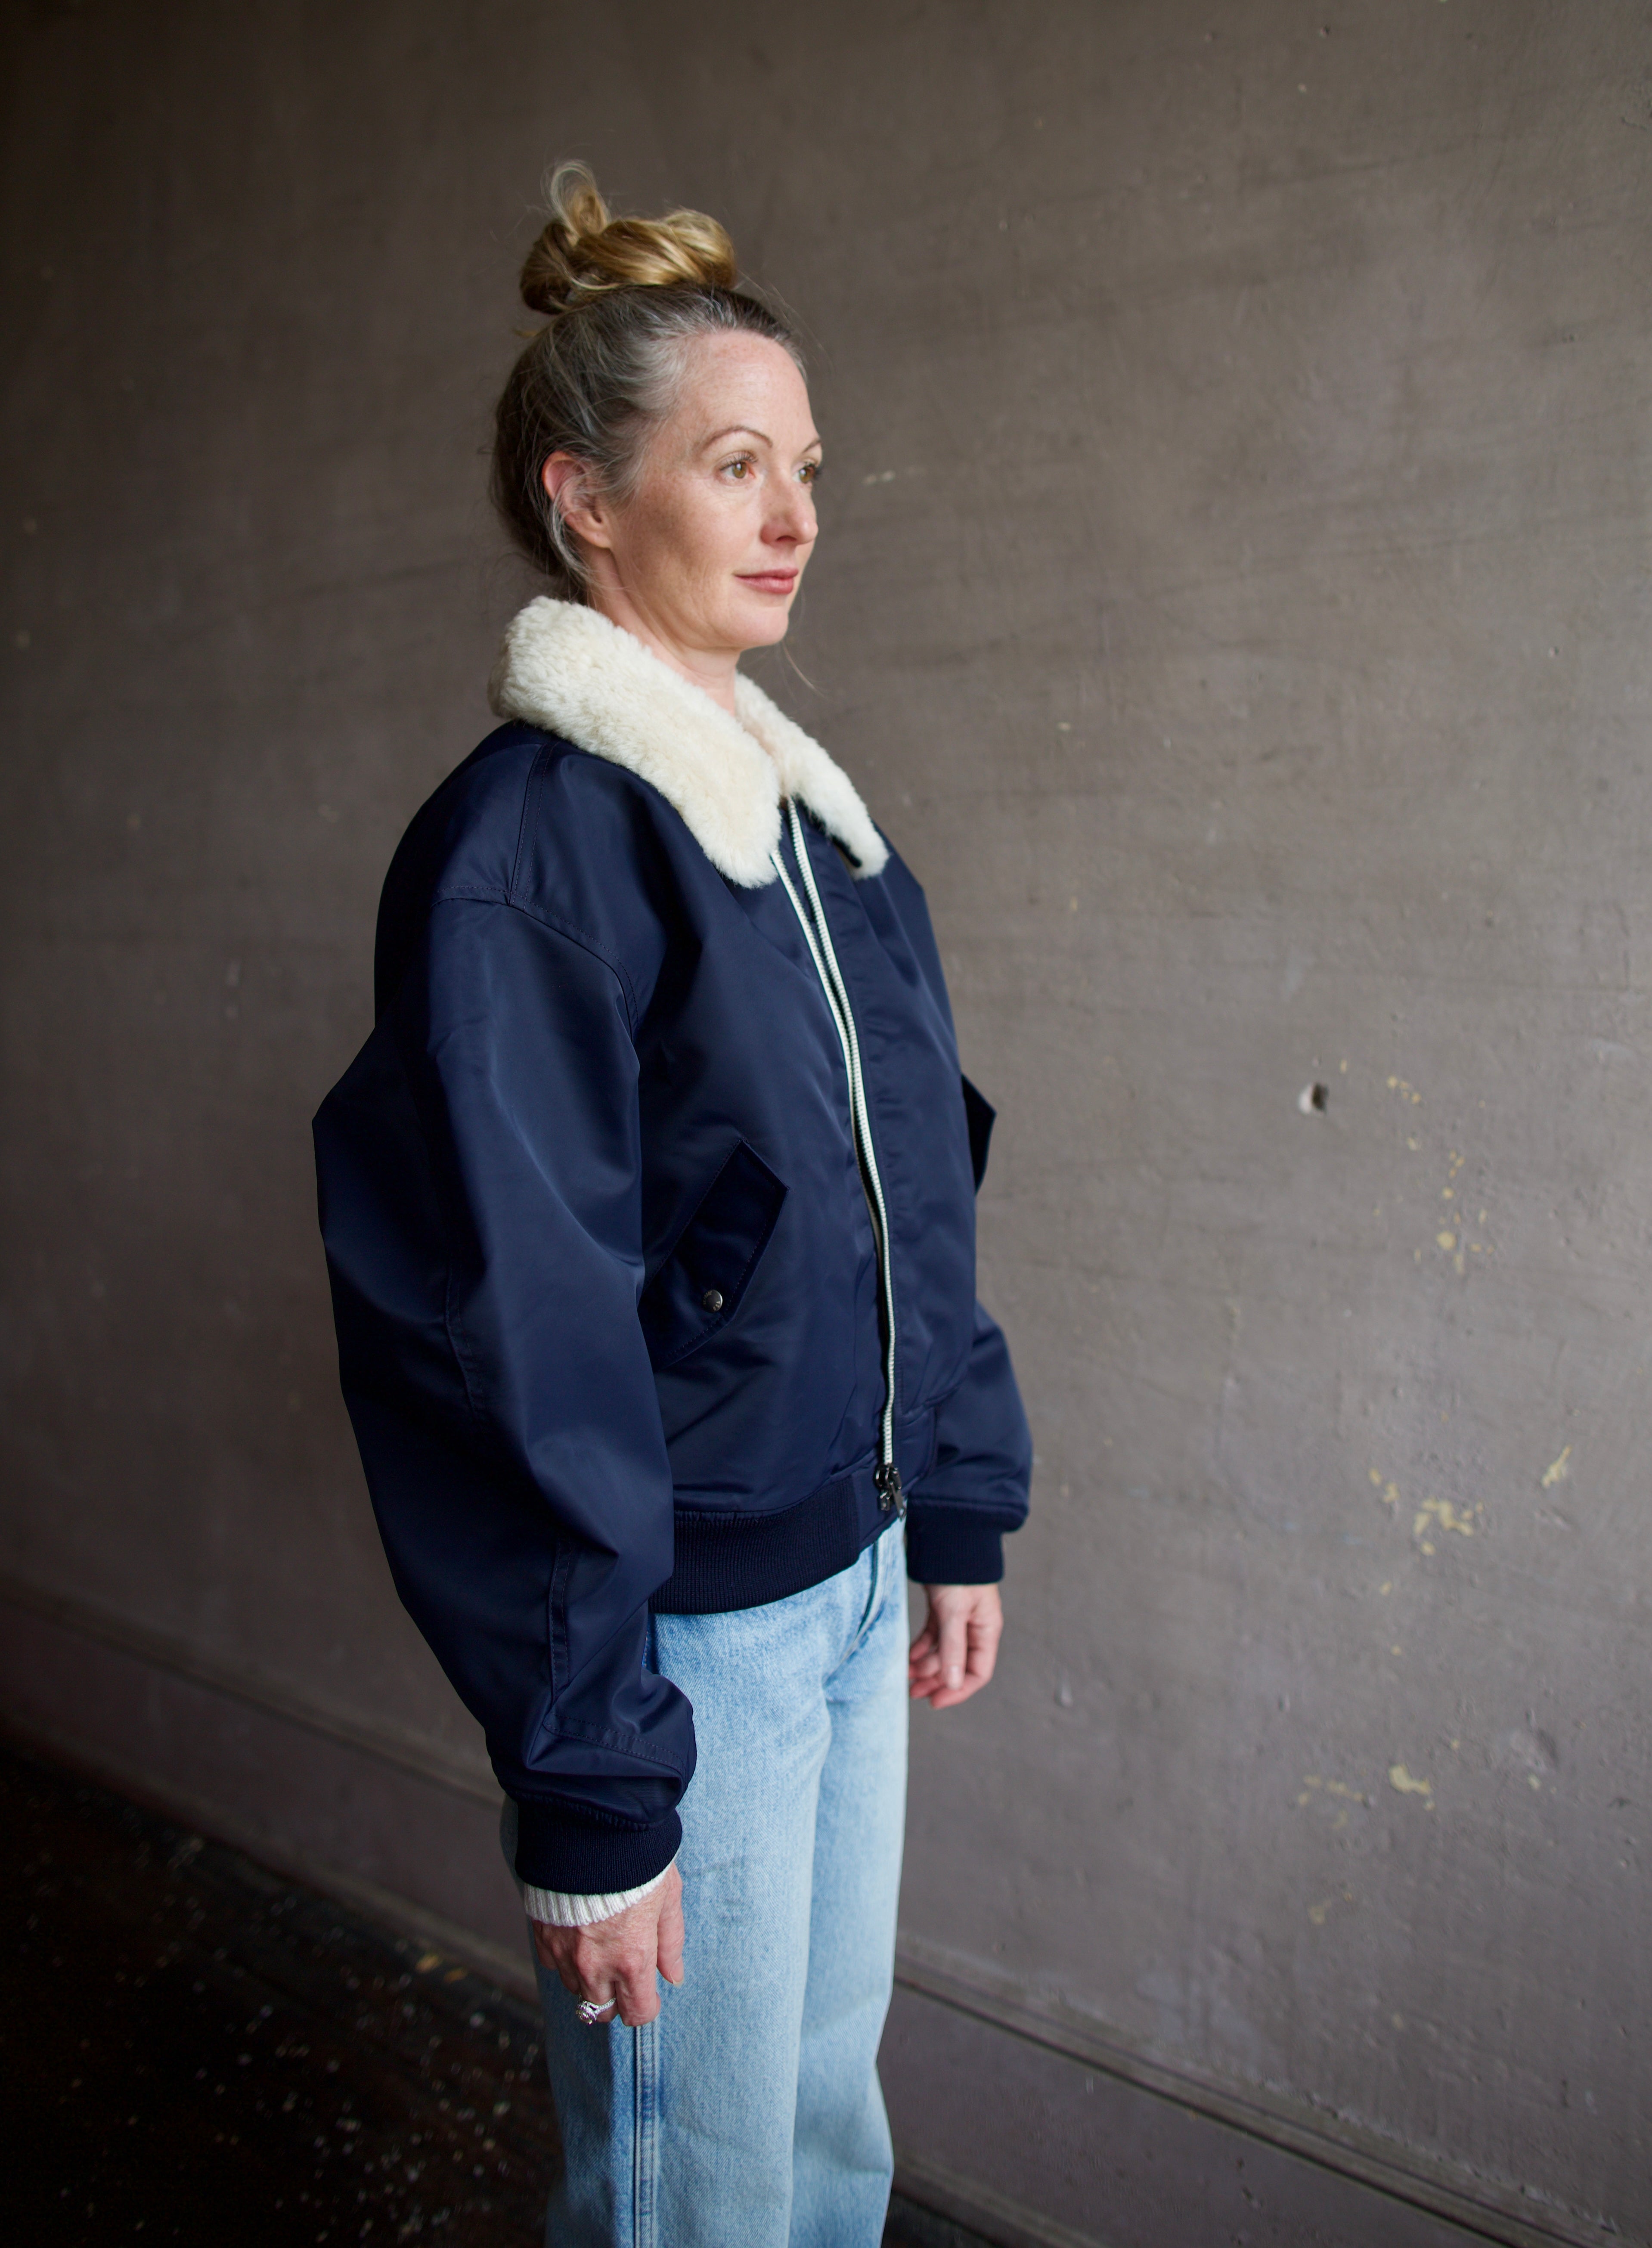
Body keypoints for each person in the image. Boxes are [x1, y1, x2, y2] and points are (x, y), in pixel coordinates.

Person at [313, 164, 1031, 2248]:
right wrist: (599, 1778)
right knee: (689, 2197)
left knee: (815, 2139)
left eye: (803, 464)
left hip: (854, 1572)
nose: (796, 508)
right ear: (588, 501)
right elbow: (503, 1329)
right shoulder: (528, 858)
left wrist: (955, 1490)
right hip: (685, 1644)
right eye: (736, 464)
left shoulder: (819, 833)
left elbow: (917, 1187)